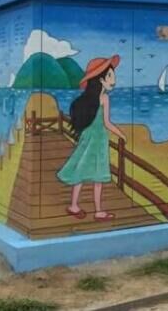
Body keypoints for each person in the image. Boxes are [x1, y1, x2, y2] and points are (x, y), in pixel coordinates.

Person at [57, 55, 127, 221]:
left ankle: (74, 205)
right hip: (99, 139)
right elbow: (107, 123)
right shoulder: (104, 98)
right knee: (98, 175)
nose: (113, 80)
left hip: (87, 138)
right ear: (100, 79)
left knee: (80, 171)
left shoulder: (88, 100)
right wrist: (121, 134)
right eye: (110, 76)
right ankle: (98, 211)